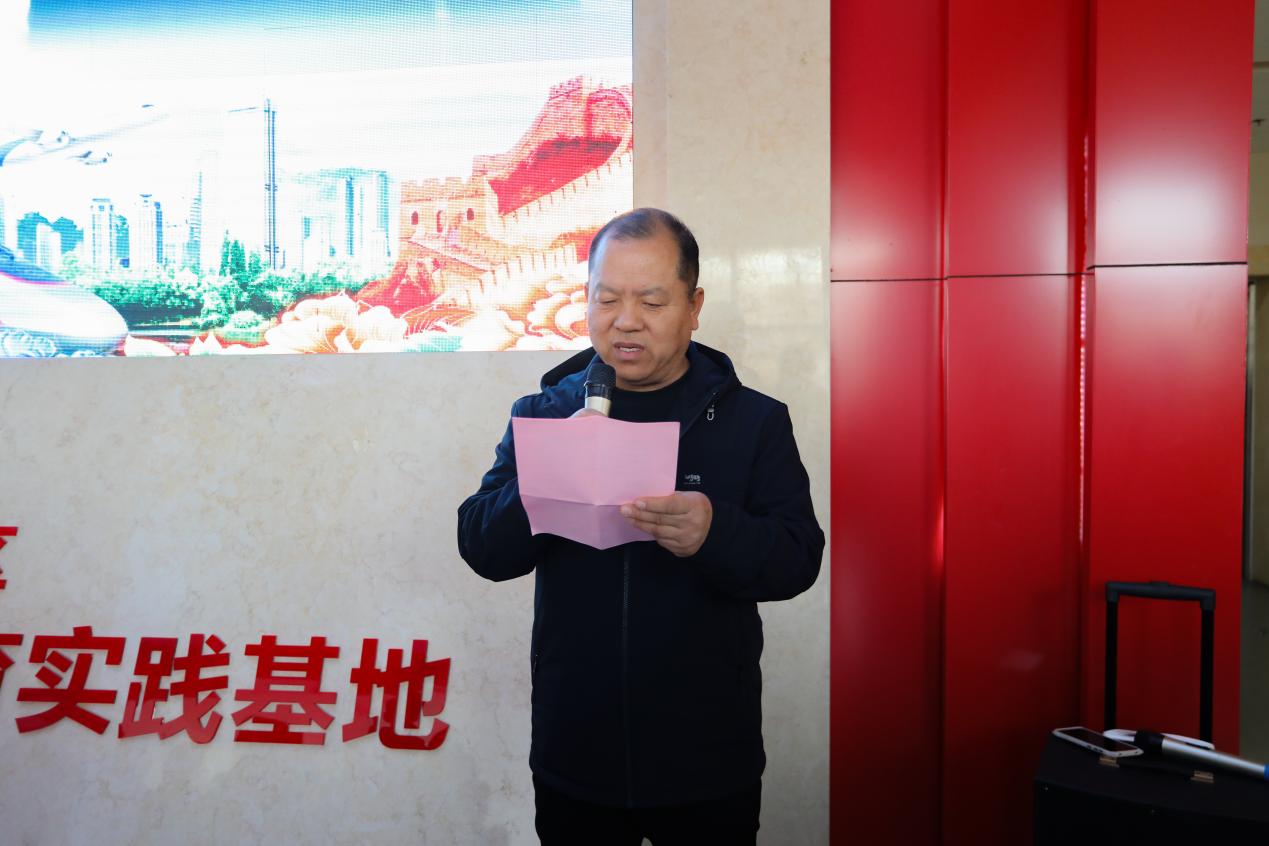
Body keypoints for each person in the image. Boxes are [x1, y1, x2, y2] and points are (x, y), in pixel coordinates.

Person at [457, 207, 824, 845]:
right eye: (607, 299)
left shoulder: (754, 422)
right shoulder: (545, 413)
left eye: (651, 302)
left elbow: (798, 559)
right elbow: (482, 547)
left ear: (694, 306)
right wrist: (546, 474)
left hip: (708, 761)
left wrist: (716, 534)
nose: (626, 320)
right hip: (576, 755)